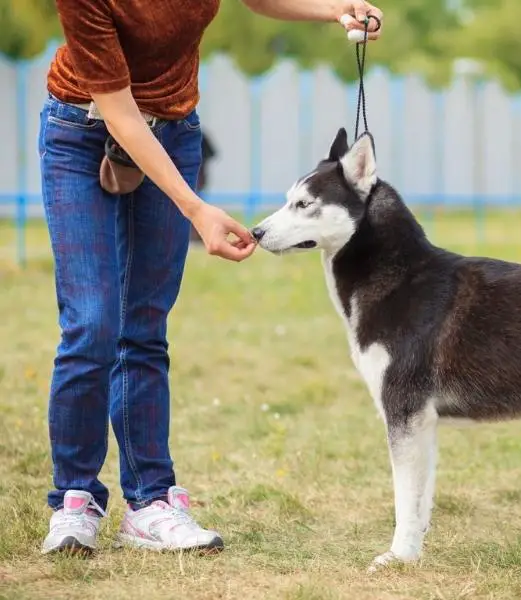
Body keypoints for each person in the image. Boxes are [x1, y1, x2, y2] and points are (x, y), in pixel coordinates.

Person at [40, 0, 383, 556]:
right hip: (82, 131)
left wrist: (332, 8)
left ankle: (151, 501)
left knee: (143, 325)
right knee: (92, 323)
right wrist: (196, 209)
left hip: (175, 130)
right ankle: (74, 501)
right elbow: (120, 113)